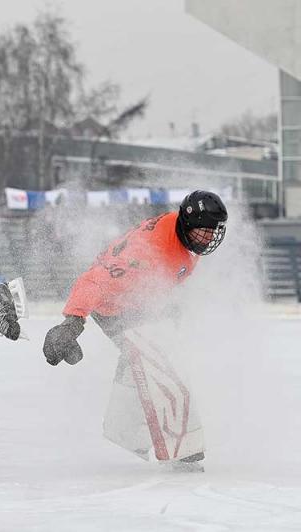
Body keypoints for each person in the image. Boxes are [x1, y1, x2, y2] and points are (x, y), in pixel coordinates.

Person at [42, 190, 228, 472]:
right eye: (204, 231)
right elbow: (94, 279)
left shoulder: (181, 238)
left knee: (147, 355)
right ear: (187, 223)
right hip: (114, 308)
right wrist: (73, 321)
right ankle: (180, 449)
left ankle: (123, 428)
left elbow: (162, 281)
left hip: (137, 303)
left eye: (213, 232)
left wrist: (170, 306)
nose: (208, 238)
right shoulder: (147, 251)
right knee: (161, 357)